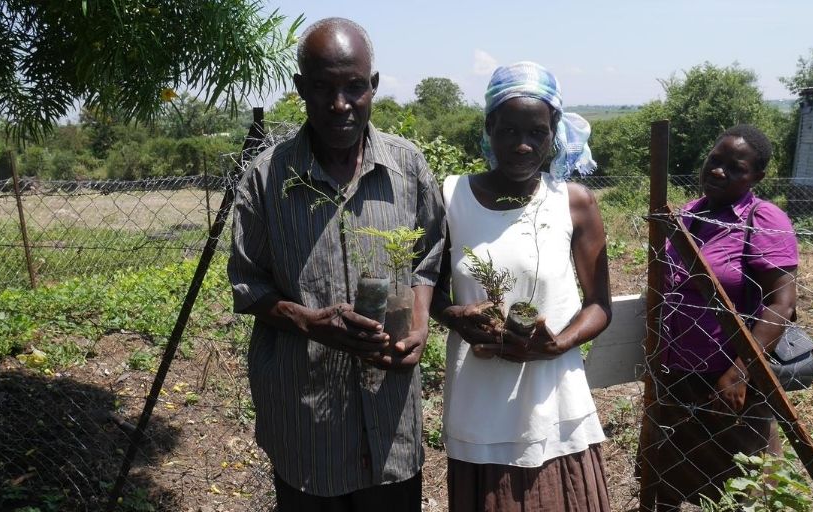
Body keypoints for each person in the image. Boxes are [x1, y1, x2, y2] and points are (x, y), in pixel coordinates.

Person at [227, 17, 445, 511]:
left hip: (390, 418)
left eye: (354, 87)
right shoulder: (267, 179)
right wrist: (307, 321)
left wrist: (418, 322)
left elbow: (429, 259)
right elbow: (247, 283)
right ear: (301, 87)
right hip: (308, 421)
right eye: (323, 87)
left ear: (373, 85)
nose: (340, 104)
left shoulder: (408, 167)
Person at [432, 61, 613, 512]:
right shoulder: (450, 197)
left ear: (555, 133)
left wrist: (557, 345)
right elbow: (427, 291)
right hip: (479, 403)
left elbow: (599, 305)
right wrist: (455, 315)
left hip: (554, 402)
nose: (523, 145)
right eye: (509, 131)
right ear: (488, 129)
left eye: (537, 132)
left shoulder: (573, 202)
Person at [652, 124, 798, 509]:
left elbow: (782, 302)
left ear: (757, 177)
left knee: (742, 487)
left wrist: (741, 371)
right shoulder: (687, 214)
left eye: (736, 168)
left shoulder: (762, 219)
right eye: (715, 160)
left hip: (727, 382)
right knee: (669, 478)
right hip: (676, 374)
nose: (718, 171)